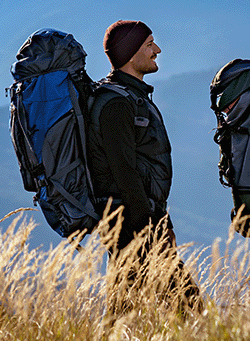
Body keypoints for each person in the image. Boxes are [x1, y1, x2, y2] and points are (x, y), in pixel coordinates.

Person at [87, 19, 202, 315]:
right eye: (150, 44)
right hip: (134, 222)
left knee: (123, 312)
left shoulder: (131, 97)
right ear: (130, 52)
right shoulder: (116, 104)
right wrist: (147, 225)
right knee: (190, 309)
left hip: (141, 218)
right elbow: (123, 170)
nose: (157, 50)